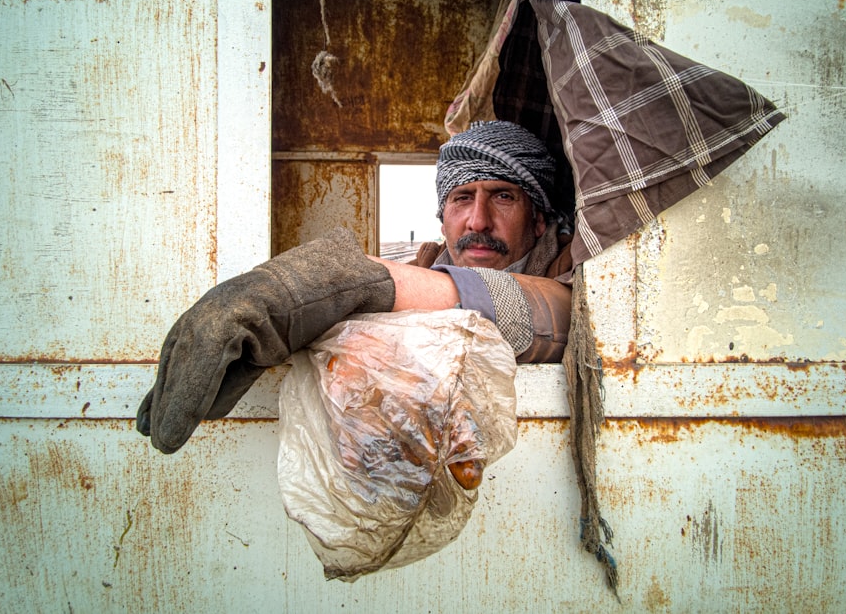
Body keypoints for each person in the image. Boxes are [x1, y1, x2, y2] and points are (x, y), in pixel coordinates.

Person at [137, 119, 571, 454]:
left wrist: (357, 277)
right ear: (442, 216)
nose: (477, 220)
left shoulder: (576, 270)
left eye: (503, 196)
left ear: (537, 218)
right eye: (461, 198)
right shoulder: (421, 262)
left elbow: (556, 312)